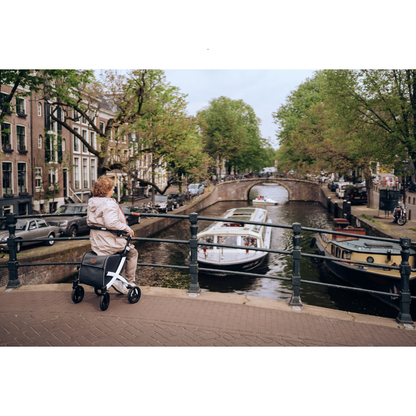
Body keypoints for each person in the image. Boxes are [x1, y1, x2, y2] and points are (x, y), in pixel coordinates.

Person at [87, 175, 138, 294]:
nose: (113, 191)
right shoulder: (108, 203)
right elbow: (111, 223)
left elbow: (91, 222)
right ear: (107, 189)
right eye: (112, 188)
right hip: (108, 243)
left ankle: (114, 277)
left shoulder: (92, 202)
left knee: (121, 253)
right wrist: (127, 229)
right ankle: (129, 282)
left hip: (96, 243)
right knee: (132, 253)